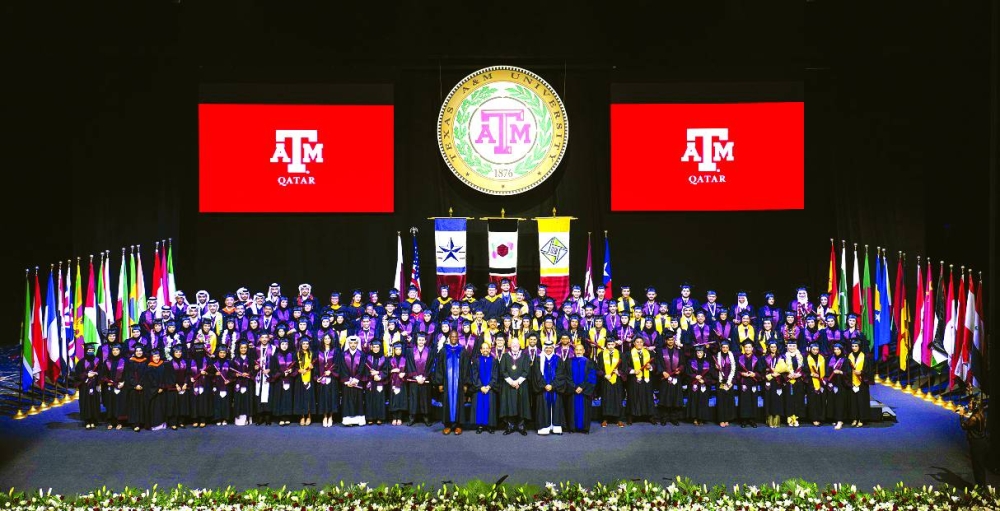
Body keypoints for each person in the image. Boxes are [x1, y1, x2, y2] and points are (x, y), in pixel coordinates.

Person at [434, 330, 469, 435]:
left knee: (459, 402)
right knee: (447, 403)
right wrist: (439, 383)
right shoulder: (444, 350)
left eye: (455, 337)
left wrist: (466, 383)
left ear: (458, 338)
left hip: (459, 383)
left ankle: (458, 425)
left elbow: (467, 368)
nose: (454, 338)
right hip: (447, 383)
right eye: (452, 336)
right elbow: (439, 367)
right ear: (449, 337)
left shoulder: (462, 351)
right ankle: (448, 425)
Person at [499, 335, 531, 435]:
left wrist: (518, 382)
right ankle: (510, 426)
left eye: (516, 344)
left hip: (521, 385)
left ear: (520, 345)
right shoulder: (505, 356)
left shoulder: (525, 356)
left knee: (522, 405)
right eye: (513, 344)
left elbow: (527, 371)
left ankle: (521, 426)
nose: (515, 345)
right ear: (510, 345)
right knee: (510, 405)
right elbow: (503, 370)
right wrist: (511, 382)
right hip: (509, 385)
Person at [563, 342, 597, 433]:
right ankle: (572, 428)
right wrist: (574, 387)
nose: (578, 351)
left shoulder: (589, 362)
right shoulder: (569, 361)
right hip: (572, 391)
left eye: (580, 350)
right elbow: (566, 376)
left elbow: (592, 376)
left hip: (584, 391)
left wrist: (582, 387)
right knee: (571, 408)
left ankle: (584, 428)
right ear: (574, 351)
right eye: (576, 350)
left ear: (584, 351)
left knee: (584, 410)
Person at [533, 339, 565, 435]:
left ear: (553, 348)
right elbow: (536, 375)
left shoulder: (558, 359)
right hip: (543, 389)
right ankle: (544, 427)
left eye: (550, 347)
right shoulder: (539, 359)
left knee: (556, 405)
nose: (548, 349)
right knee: (543, 406)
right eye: (546, 348)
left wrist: (553, 385)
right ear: (543, 348)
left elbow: (560, 375)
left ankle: (556, 426)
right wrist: (544, 385)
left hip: (554, 389)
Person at [655, 333, 686, 426]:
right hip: (665, 378)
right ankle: (664, 418)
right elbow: (658, 363)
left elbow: (683, 364)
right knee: (665, 398)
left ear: (674, 340)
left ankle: (674, 418)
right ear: (665, 341)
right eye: (668, 340)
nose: (670, 341)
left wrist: (680, 370)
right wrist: (662, 372)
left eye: (672, 339)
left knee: (674, 398)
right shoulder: (660, 351)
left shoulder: (679, 351)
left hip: (675, 378)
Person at [959, 393, 990, 487]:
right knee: (980, 466)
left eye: (971, 404)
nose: (969, 405)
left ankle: (980, 488)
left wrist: (961, 415)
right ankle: (981, 486)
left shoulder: (974, 418)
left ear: (975, 405)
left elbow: (964, 426)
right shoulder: (980, 414)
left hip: (977, 444)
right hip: (982, 442)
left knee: (977, 467)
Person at [469, 339, 499, 434]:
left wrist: (489, 386)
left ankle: (490, 426)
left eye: (487, 348)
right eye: (483, 348)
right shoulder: (476, 361)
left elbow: (495, 376)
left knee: (490, 405)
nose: (485, 350)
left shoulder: (494, 361)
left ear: (490, 350)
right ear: (481, 350)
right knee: (479, 406)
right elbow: (474, 375)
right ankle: (480, 425)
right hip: (479, 389)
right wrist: (481, 387)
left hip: (490, 388)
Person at [405, 332, 434, 426]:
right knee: (414, 398)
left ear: (425, 341)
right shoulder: (410, 351)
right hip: (414, 379)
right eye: (419, 340)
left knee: (425, 398)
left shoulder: (430, 351)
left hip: (425, 380)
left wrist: (425, 376)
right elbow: (409, 364)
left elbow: (431, 365)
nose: (421, 341)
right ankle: (412, 417)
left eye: (423, 340)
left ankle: (426, 417)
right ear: (416, 341)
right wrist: (416, 376)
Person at [626, 336, 655, 425]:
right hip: (634, 378)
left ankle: (649, 416)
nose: (639, 344)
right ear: (634, 343)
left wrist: (651, 367)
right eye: (637, 342)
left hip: (646, 379)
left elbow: (656, 364)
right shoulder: (628, 353)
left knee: (647, 397)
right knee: (633, 397)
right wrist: (633, 371)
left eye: (641, 342)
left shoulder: (649, 353)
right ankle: (631, 416)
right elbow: (625, 366)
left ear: (643, 343)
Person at [597, 336, 625, 428]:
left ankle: (619, 419)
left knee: (617, 399)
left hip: (617, 380)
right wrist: (604, 375)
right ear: (606, 345)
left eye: (612, 344)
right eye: (608, 344)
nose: (610, 346)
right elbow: (598, 368)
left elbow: (624, 368)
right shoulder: (601, 354)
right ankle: (605, 419)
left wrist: (619, 372)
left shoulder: (620, 354)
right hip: (606, 380)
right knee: (606, 399)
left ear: (615, 345)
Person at [339, 336, 366, 426]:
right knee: (347, 400)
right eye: (351, 343)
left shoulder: (362, 354)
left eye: (355, 343)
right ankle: (348, 420)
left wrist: (356, 379)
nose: (353, 345)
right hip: (347, 383)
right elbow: (342, 368)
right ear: (348, 344)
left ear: (357, 344)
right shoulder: (343, 354)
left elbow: (362, 368)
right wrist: (347, 380)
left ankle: (358, 419)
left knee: (358, 400)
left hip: (357, 382)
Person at [75, 343, 103, 429]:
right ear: (85, 351)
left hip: (95, 385)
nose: (90, 352)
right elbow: (77, 375)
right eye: (89, 350)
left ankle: (94, 420)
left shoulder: (98, 361)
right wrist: (87, 374)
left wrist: (97, 376)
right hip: (85, 386)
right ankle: (87, 421)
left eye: (92, 350)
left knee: (94, 402)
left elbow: (102, 372)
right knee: (86, 402)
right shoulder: (81, 362)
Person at [736, 339, 763, 428]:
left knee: (752, 400)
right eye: (746, 347)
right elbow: (736, 371)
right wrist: (741, 374)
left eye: (749, 347)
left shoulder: (757, 359)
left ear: (752, 348)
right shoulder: (739, 358)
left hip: (753, 381)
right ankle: (744, 420)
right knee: (744, 400)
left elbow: (761, 372)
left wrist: (754, 374)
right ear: (743, 348)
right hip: (743, 381)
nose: (747, 349)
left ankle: (752, 419)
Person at [270, 337, 296, 427]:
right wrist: (281, 373)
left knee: (288, 398)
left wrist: (291, 370)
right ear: (279, 345)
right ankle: (281, 417)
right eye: (282, 344)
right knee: (280, 398)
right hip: (279, 380)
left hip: (289, 380)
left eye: (286, 344)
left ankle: (287, 417)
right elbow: (273, 370)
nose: (284, 346)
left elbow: (296, 367)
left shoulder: (292, 355)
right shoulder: (275, 356)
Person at [686, 345, 714, 426]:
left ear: (704, 353)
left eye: (701, 352)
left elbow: (710, 375)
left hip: (703, 385)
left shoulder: (708, 363)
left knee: (702, 401)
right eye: (698, 352)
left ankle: (701, 418)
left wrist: (704, 380)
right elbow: (688, 373)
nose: (699, 354)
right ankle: (695, 418)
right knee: (694, 401)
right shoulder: (691, 362)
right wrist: (695, 376)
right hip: (694, 385)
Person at [144, 348, 170, 431]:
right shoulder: (149, 367)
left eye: (158, 356)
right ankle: (155, 424)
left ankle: (163, 423)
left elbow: (166, 378)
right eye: (154, 356)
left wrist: (162, 387)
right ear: (151, 357)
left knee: (163, 407)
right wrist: (157, 388)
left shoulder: (163, 365)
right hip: (154, 392)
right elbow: (149, 381)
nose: (156, 358)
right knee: (155, 408)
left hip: (163, 390)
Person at [125, 344, 150, 432]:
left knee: (143, 404)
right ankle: (135, 424)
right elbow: (129, 375)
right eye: (137, 351)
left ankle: (143, 422)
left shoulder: (146, 361)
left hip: (144, 387)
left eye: (140, 351)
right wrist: (135, 385)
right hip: (133, 388)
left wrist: (142, 384)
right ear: (134, 352)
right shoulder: (130, 362)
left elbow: (147, 375)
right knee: (134, 405)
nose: (139, 352)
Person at [762, 340, 786, 428]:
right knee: (769, 399)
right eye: (771, 347)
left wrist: (778, 373)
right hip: (768, 381)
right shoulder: (764, 358)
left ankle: (777, 421)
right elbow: (761, 370)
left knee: (777, 400)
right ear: (768, 348)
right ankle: (769, 421)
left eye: (775, 347)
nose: (773, 348)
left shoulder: (781, 357)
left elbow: (785, 370)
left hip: (778, 381)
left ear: (777, 348)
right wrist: (770, 373)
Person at [846, 339, 870, 427]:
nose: (854, 348)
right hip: (852, 382)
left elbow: (868, 370)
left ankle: (861, 419)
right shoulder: (849, 356)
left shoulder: (864, 356)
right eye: (853, 346)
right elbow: (847, 369)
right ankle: (854, 418)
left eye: (856, 346)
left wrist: (861, 372)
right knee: (853, 402)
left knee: (861, 401)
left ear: (859, 347)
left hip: (862, 382)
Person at [783, 339, 806, 427]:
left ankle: (796, 418)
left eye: (793, 346)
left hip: (799, 381)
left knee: (798, 399)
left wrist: (800, 374)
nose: (791, 347)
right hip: (788, 382)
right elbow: (780, 368)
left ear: (796, 346)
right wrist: (787, 376)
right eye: (790, 345)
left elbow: (805, 368)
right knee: (789, 400)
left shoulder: (801, 356)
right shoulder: (783, 356)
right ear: (787, 346)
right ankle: (789, 418)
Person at [231, 340, 255, 426]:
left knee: (248, 399)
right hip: (238, 382)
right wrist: (236, 374)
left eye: (245, 348)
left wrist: (249, 373)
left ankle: (248, 417)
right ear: (239, 349)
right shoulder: (235, 359)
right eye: (241, 348)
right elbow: (231, 371)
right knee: (239, 399)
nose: (243, 349)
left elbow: (253, 370)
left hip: (248, 382)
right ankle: (239, 418)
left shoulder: (251, 359)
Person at [363, 340, 388, 425]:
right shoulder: (367, 358)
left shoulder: (384, 358)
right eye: (374, 347)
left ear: (380, 348)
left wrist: (379, 374)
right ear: (371, 348)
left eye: (377, 347)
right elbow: (365, 370)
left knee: (379, 399)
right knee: (369, 399)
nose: (376, 349)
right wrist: (372, 375)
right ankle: (370, 417)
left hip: (380, 381)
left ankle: (379, 417)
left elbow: (386, 371)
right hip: (370, 381)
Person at [714, 340, 737, 427]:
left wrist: (731, 381)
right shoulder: (717, 356)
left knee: (728, 401)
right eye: (723, 347)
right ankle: (721, 419)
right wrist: (716, 368)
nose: (725, 349)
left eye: (726, 347)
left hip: (729, 382)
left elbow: (735, 368)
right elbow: (712, 369)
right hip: (720, 381)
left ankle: (727, 419)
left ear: (729, 348)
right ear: (721, 348)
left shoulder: (732, 356)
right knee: (721, 401)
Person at [825, 342, 849, 429]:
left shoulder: (845, 360)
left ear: (841, 350)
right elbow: (827, 370)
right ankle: (835, 418)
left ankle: (840, 420)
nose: (836, 351)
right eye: (835, 349)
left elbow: (848, 373)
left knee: (840, 402)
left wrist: (840, 372)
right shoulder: (830, 358)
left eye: (838, 349)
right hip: (832, 383)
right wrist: (828, 381)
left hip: (841, 383)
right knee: (833, 401)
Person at [254, 333, 275, 425]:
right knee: (259, 395)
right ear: (259, 338)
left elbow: (276, 362)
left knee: (268, 395)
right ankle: (259, 416)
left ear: (268, 338)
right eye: (262, 337)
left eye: (266, 337)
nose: (264, 339)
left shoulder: (273, 349)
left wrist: (270, 369)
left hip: (268, 375)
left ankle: (268, 417)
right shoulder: (255, 349)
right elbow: (251, 361)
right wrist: (254, 367)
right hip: (258, 375)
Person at [166, 344, 189, 430]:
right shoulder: (169, 364)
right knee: (174, 405)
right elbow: (168, 376)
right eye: (176, 352)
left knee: (182, 405)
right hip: (173, 387)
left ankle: (181, 421)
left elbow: (188, 373)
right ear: (173, 353)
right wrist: (175, 385)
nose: (178, 353)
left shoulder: (185, 362)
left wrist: (186, 383)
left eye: (180, 352)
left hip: (183, 387)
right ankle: (173, 422)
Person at [294, 339, 316, 426]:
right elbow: (293, 366)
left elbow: (317, 366)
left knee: (309, 397)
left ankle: (309, 416)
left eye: (307, 344)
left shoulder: (312, 354)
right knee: (301, 397)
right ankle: (302, 416)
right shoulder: (297, 354)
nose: (305, 345)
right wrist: (299, 370)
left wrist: (312, 366)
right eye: (304, 344)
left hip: (310, 378)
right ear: (300, 344)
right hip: (300, 378)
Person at [805, 342, 827, 426]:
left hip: (821, 382)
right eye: (813, 349)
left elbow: (826, 370)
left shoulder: (822, 358)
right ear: (810, 349)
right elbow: (803, 370)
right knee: (813, 401)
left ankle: (821, 417)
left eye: (817, 349)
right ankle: (814, 418)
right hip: (811, 382)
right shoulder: (806, 358)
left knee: (820, 400)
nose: (815, 351)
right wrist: (810, 374)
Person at [387, 342, 409, 426]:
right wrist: (392, 371)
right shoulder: (389, 359)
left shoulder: (405, 359)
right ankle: (394, 417)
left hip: (402, 382)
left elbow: (408, 370)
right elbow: (386, 371)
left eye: (400, 349)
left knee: (401, 399)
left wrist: (404, 373)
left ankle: (399, 417)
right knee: (394, 399)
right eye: (396, 349)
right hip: (393, 383)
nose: (398, 351)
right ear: (394, 350)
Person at [211, 345, 233, 426]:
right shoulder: (214, 363)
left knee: (226, 403)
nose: (222, 354)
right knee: (217, 402)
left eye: (224, 353)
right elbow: (209, 375)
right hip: (217, 385)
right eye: (221, 352)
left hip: (226, 385)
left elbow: (233, 374)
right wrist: (215, 374)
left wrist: (229, 380)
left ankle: (225, 418)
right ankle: (218, 418)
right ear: (218, 353)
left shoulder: (230, 362)